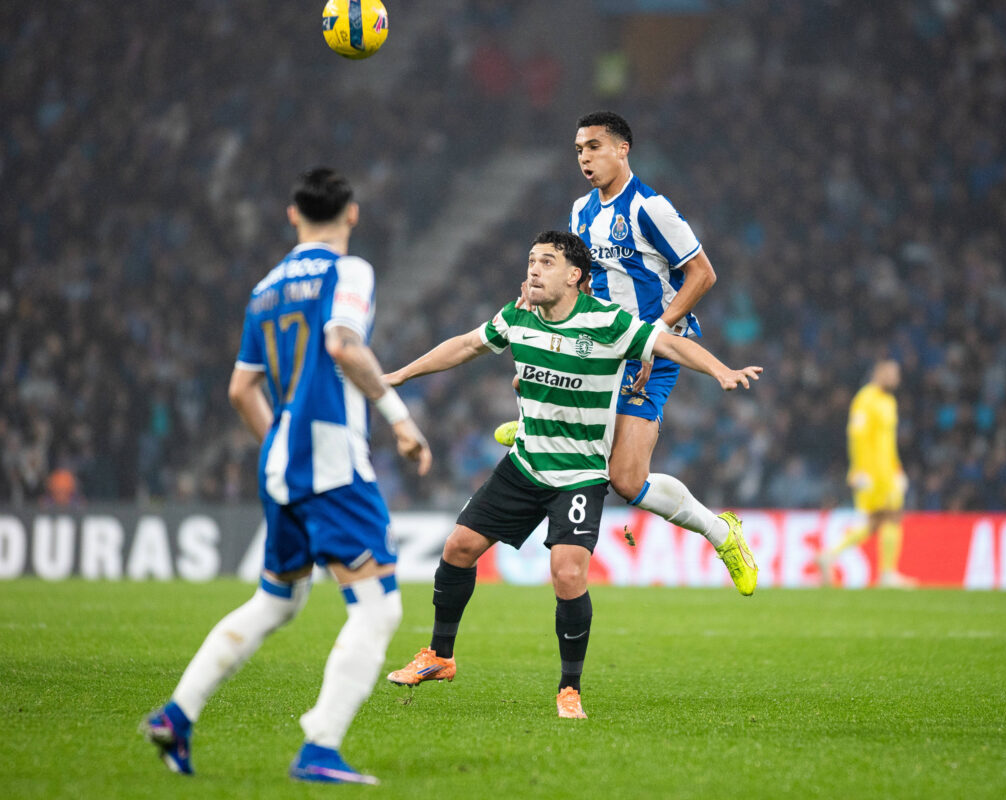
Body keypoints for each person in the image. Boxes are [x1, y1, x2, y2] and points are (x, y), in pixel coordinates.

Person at [385, 231, 761, 719]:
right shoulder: (517, 315)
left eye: (546, 262)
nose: (533, 269)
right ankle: (439, 656)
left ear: (575, 276)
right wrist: (399, 375)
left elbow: (670, 344)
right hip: (525, 465)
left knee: (567, 573)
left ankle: (570, 689)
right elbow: (464, 345)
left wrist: (721, 370)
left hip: (579, 474)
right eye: (531, 260)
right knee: (458, 547)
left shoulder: (606, 322)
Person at [140, 168, 432, 785]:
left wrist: (281, 442)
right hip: (330, 459)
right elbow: (344, 344)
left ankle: (177, 715)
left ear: (292, 214)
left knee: (278, 600)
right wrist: (400, 420)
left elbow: (240, 389)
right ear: (352, 214)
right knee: (378, 608)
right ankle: (320, 747)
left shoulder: (265, 289)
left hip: (280, 461)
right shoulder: (348, 271)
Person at [495, 110, 759, 596]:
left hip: (651, 347)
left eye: (594, 147)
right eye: (579, 150)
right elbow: (579, 280)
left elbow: (703, 274)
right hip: (602, 343)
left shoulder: (650, 209)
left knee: (626, 480)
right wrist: (539, 293)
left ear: (622, 149)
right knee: (525, 368)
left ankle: (722, 534)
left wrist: (656, 334)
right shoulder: (580, 211)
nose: (585, 158)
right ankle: (541, 427)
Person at [818, 360, 916, 588]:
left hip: (888, 471)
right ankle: (887, 573)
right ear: (879, 373)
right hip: (872, 473)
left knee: (875, 522)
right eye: (891, 373)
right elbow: (857, 436)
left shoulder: (889, 401)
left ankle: (829, 555)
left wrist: (897, 468)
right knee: (891, 516)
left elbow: (888, 442)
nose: (896, 378)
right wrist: (858, 470)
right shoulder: (865, 399)